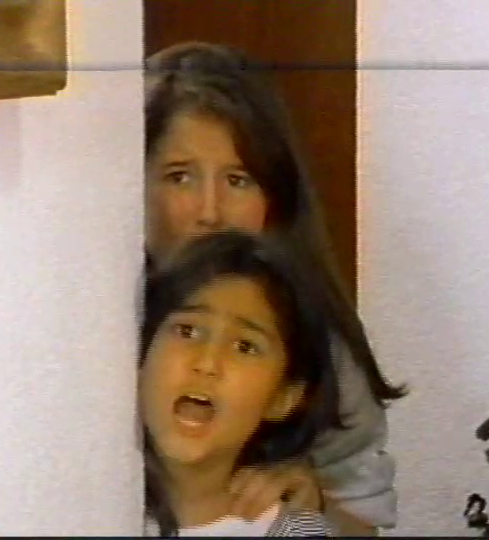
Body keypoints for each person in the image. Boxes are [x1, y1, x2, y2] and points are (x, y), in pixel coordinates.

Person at [144, 41, 407, 535]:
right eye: (179, 177)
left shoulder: (316, 342)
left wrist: (315, 502)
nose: (209, 212)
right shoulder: (91, 319)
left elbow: (365, 525)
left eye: (238, 180)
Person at [140, 230, 342, 536]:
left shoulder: (292, 532)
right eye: (187, 331)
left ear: (283, 397)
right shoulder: (82, 505)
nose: (207, 363)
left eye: (244, 347)